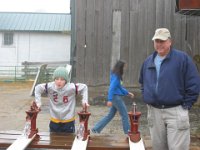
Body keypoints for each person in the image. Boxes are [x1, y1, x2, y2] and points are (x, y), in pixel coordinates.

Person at [139, 28, 200, 150]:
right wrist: (147, 97)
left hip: (176, 110)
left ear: (170, 42)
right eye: (157, 41)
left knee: (177, 148)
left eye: (162, 41)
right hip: (154, 112)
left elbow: (193, 83)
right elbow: (142, 82)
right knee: (158, 147)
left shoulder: (182, 59)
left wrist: (187, 104)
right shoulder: (148, 61)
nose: (159, 44)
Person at [34, 66, 89, 133]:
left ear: (66, 80)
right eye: (57, 79)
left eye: (62, 79)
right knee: (53, 140)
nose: (59, 82)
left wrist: (84, 101)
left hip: (68, 120)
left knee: (68, 141)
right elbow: (37, 88)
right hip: (54, 119)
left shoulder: (71, 87)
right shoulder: (50, 87)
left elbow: (84, 87)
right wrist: (38, 103)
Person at [92, 60, 134, 135]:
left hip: (115, 97)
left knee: (110, 115)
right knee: (124, 114)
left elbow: (120, 88)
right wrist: (110, 99)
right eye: (124, 67)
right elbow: (111, 88)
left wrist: (127, 93)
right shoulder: (116, 76)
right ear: (120, 67)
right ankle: (127, 132)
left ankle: (96, 128)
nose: (125, 68)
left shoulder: (116, 75)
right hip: (116, 98)